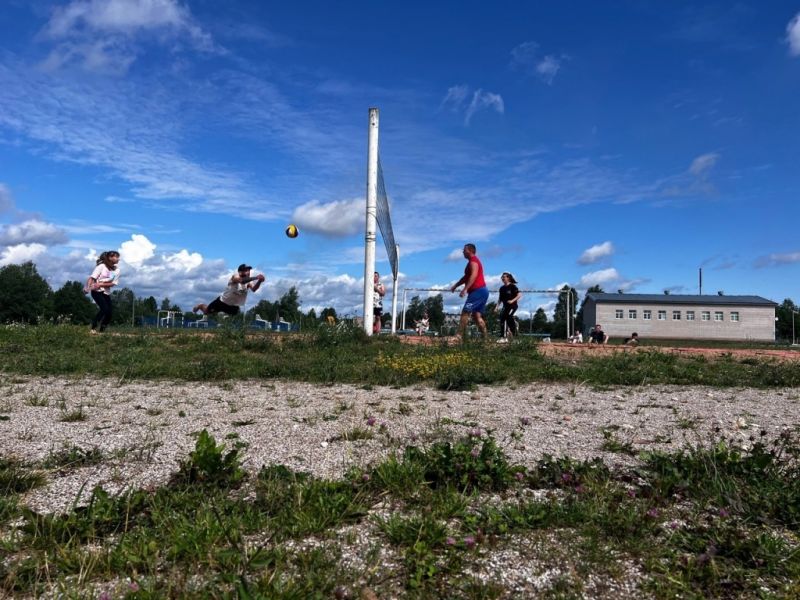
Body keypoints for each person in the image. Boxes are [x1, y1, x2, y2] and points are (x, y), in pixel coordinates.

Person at [449, 243, 489, 339]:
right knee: (476, 317)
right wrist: (456, 285)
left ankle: (458, 336)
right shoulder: (471, 262)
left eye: (464, 250)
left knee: (465, 312)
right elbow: (466, 277)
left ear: (470, 251)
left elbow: (474, 275)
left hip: (478, 291)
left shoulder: (473, 261)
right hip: (482, 291)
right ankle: (486, 339)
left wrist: (465, 289)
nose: (463, 251)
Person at [193, 264, 265, 316]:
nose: (248, 272)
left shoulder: (249, 282)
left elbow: (254, 289)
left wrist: (259, 281)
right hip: (222, 302)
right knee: (207, 312)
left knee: (235, 313)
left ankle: (227, 328)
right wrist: (256, 278)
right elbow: (241, 281)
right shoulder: (235, 277)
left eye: (249, 270)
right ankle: (200, 305)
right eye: (246, 270)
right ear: (240, 272)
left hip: (233, 305)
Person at [84, 250, 121, 334]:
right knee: (104, 309)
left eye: (118, 257)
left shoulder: (117, 270)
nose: (118, 259)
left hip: (106, 292)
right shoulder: (101, 266)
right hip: (96, 291)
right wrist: (87, 287)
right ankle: (93, 328)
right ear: (109, 258)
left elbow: (113, 283)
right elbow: (92, 278)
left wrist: (100, 284)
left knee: (109, 313)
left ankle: (102, 331)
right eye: (116, 256)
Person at [496, 272, 521, 343]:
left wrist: (512, 300)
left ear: (508, 278)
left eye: (504, 277)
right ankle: (503, 337)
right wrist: (496, 307)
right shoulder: (502, 288)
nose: (503, 278)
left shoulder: (513, 286)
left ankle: (516, 338)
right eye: (502, 277)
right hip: (505, 307)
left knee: (509, 317)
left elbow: (519, 295)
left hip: (513, 306)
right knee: (502, 319)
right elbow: (500, 299)